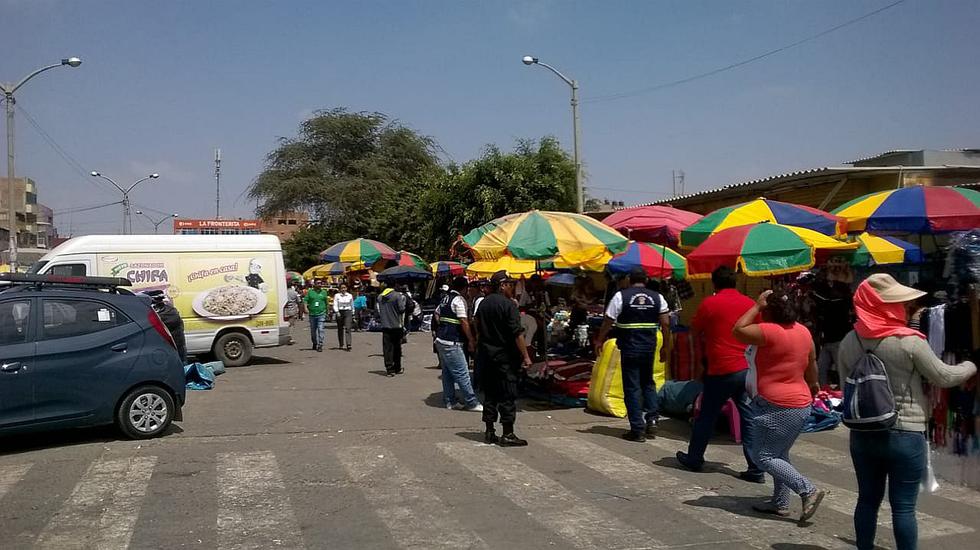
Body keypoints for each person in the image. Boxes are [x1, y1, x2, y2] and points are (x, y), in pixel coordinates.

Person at [838, 274, 976, 550]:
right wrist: (971, 365)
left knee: (866, 500)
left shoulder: (849, 341)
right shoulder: (909, 341)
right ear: (885, 306)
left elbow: (846, 387)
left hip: (863, 433)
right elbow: (944, 376)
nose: (904, 308)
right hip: (905, 434)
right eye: (899, 303)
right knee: (903, 507)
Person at [733, 288, 826, 523]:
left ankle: (807, 490)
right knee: (779, 453)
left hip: (775, 403)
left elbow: (738, 329)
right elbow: (811, 362)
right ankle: (780, 502)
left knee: (763, 456)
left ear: (769, 310)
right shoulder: (804, 332)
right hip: (801, 402)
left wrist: (756, 306)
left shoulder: (768, 332)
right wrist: (814, 383)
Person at [676, 266, 764, 482]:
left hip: (720, 369)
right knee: (748, 417)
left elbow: (694, 330)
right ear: (735, 282)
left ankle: (695, 458)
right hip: (745, 369)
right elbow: (760, 332)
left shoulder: (709, 303)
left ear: (714, 283)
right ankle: (755, 468)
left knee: (706, 415)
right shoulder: (749, 304)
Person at [595, 268, 670, 442]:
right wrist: (666, 346)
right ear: (647, 279)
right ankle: (652, 420)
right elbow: (666, 323)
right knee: (648, 383)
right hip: (649, 347)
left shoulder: (621, 296)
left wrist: (600, 339)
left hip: (629, 348)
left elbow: (608, 319)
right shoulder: (657, 297)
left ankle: (637, 429)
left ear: (629, 279)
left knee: (632, 387)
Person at [476, 271, 533, 446]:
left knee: (490, 394)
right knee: (508, 394)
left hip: (486, 356)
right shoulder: (509, 306)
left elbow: (476, 326)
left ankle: (489, 430)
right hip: (505, 358)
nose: (513, 288)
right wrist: (526, 356)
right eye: (511, 284)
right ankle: (508, 433)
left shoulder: (484, 303)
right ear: (502, 285)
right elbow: (517, 334)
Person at [434, 276, 482, 411]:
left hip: (441, 339)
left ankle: (450, 400)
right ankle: (472, 402)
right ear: (465, 288)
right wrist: (471, 340)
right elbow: (464, 321)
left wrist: (443, 326)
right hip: (452, 341)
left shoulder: (445, 299)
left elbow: (436, 314)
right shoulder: (459, 300)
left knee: (448, 373)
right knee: (462, 372)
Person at [813, 277, 853, 386]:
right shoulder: (834, 303)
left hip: (837, 341)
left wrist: (813, 293)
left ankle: (844, 392)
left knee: (841, 371)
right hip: (827, 342)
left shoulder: (841, 303)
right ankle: (824, 390)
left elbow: (825, 302)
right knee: (821, 368)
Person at [378, 283, 407, 376]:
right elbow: (402, 309)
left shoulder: (380, 297)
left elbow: (377, 311)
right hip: (397, 326)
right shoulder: (397, 296)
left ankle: (389, 369)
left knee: (387, 349)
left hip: (385, 326)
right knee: (397, 347)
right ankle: (397, 367)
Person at [304, 281, 329, 352]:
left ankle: (320, 344)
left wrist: (328, 312)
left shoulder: (324, 292)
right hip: (312, 314)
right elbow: (305, 301)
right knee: (313, 331)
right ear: (314, 284)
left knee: (321, 329)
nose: (319, 284)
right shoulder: (310, 292)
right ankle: (314, 343)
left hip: (321, 313)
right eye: (318, 283)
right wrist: (305, 308)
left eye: (320, 283)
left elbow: (326, 303)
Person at [333, 283, 354, 351]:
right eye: (342, 288)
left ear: (346, 288)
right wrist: (337, 312)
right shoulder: (337, 295)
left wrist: (353, 313)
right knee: (340, 328)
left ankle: (349, 344)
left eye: (344, 288)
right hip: (340, 312)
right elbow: (335, 304)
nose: (343, 289)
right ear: (339, 289)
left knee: (348, 328)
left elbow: (352, 304)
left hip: (348, 312)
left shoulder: (350, 295)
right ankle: (341, 344)